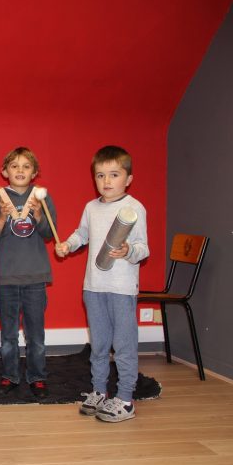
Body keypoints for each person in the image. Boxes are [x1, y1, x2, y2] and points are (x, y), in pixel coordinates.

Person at [55, 145, 149, 422]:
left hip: (121, 289)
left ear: (128, 179)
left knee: (123, 345)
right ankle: (99, 391)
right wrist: (68, 244)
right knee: (98, 344)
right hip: (93, 287)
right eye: (100, 175)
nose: (106, 181)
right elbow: (81, 234)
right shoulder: (91, 208)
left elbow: (143, 249)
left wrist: (128, 251)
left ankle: (126, 399)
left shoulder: (134, 208)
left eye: (114, 174)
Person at [0, 147, 57, 399]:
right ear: (5, 171)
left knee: (35, 335)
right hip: (7, 277)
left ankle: (37, 377)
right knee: (8, 335)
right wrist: (2, 218)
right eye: (14, 166)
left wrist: (38, 214)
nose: (20, 170)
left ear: (34, 172)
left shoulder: (41, 197)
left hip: (36, 277)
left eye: (26, 166)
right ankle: (10, 376)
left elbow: (49, 234)